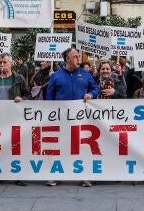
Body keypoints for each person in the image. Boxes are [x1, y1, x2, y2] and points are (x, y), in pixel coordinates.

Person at [45, 48, 99, 187]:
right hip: (62, 118)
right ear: (67, 59)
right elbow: (49, 97)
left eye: (78, 56)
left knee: (82, 146)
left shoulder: (85, 74)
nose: (78, 59)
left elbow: (95, 88)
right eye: (75, 57)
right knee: (60, 146)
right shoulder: (56, 76)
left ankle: (84, 175)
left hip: (82, 118)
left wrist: (91, 95)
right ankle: (56, 175)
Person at [0, 52, 31, 186]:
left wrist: (21, 99)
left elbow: (28, 95)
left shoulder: (19, 79)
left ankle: (19, 175)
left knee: (16, 147)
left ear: (11, 63)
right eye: (0, 63)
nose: (1, 65)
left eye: (4, 62)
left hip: (14, 118)